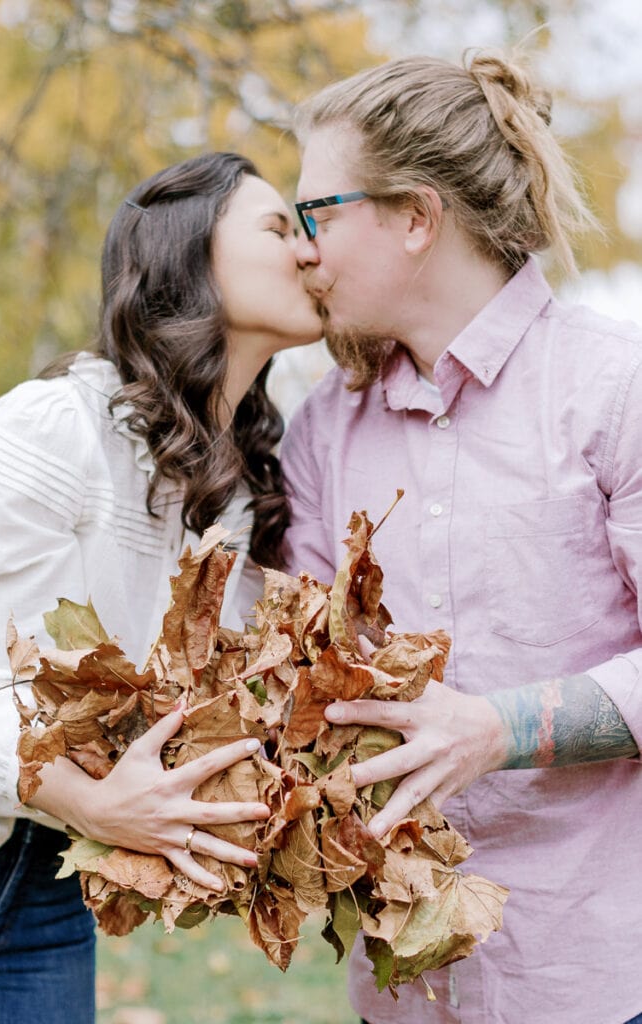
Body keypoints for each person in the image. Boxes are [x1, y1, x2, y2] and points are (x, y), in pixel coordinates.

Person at [282, 51, 642, 1024]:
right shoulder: (322, 427)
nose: (300, 247)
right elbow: (305, 674)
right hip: (399, 986)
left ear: (413, 216)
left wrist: (495, 729)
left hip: (593, 978)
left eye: (318, 212)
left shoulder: (614, 388)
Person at [0, 151, 322, 1023]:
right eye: (278, 228)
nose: (310, 253)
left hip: (46, 883)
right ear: (188, 255)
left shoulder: (233, 490)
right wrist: (96, 803)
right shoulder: (61, 425)